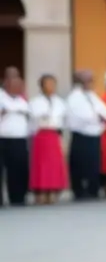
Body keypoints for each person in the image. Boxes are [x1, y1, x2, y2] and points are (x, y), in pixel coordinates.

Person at [66, 71, 106, 201]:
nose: (90, 84)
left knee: (94, 163)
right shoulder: (74, 97)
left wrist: (101, 117)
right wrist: (96, 117)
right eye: (87, 81)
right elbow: (82, 115)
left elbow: (105, 112)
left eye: (91, 81)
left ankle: (93, 189)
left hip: (94, 134)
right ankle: (79, 190)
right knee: (79, 164)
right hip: (81, 134)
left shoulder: (92, 95)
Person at [28, 74, 68, 205]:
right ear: (42, 86)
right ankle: (41, 192)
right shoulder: (35, 102)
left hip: (54, 135)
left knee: (55, 165)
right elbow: (35, 118)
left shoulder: (60, 102)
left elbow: (62, 119)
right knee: (41, 165)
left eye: (53, 83)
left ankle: (53, 191)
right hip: (41, 135)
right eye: (48, 83)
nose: (51, 86)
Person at [0, 74, 30, 206]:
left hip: (19, 139)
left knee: (18, 169)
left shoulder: (21, 100)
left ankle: (17, 198)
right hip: (3, 138)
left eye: (20, 86)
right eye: (16, 85)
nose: (19, 88)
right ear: (7, 85)